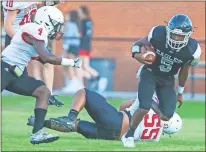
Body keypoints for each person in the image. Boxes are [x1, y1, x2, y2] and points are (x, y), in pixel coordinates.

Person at [1, 6, 82, 144]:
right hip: (5, 69)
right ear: (47, 21)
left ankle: (37, 133)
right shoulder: (35, 29)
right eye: (57, 26)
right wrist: (72, 62)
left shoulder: (38, 34)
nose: (58, 30)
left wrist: (58, 59)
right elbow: (47, 57)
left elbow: (43, 58)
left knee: (43, 91)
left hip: (15, 74)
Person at [122, 14, 202, 147]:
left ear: (188, 36)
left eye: (180, 36)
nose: (176, 39)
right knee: (144, 107)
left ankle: (146, 98)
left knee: (167, 115)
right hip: (150, 73)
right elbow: (138, 44)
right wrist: (138, 56)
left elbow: (184, 71)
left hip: (167, 79)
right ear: (168, 31)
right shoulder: (158, 33)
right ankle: (129, 135)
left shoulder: (192, 50)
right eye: (174, 35)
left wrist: (180, 93)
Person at [27, 88, 182, 141]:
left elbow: (123, 106)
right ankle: (39, 122)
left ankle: (71, 115)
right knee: (76, 127)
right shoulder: (155, 138)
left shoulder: (154, 107)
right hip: (113, 137)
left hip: (118, 122)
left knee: (84, 93)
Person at [2, 1, 64, 106]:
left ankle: (49, 95)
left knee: (48, 61)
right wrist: (21, 39)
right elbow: (7, 26)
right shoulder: (16, 2)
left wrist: (54, 1)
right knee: (15, 78)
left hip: (30, 35)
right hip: (17, 37)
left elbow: (41, 5)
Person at [77, 6, 100, 90]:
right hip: (88, 45)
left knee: (79, 66)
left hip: (83, 45)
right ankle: (96, 77)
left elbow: (82, 34)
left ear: (83, 12)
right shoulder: (89, 21)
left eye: (79, 12)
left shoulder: (83, 21)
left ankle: (80, 85)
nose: (78, 13)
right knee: (85, 66)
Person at [61, 10, 83, 93]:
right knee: (70, 65)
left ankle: (73, 83)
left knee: (69, 64)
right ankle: (74, 82)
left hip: (71, 47)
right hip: (75, 46)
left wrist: (65, 49)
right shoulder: (76, 24)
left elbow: (68, 37)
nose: (65, 17)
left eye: (67, 15)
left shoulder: (70, 24)